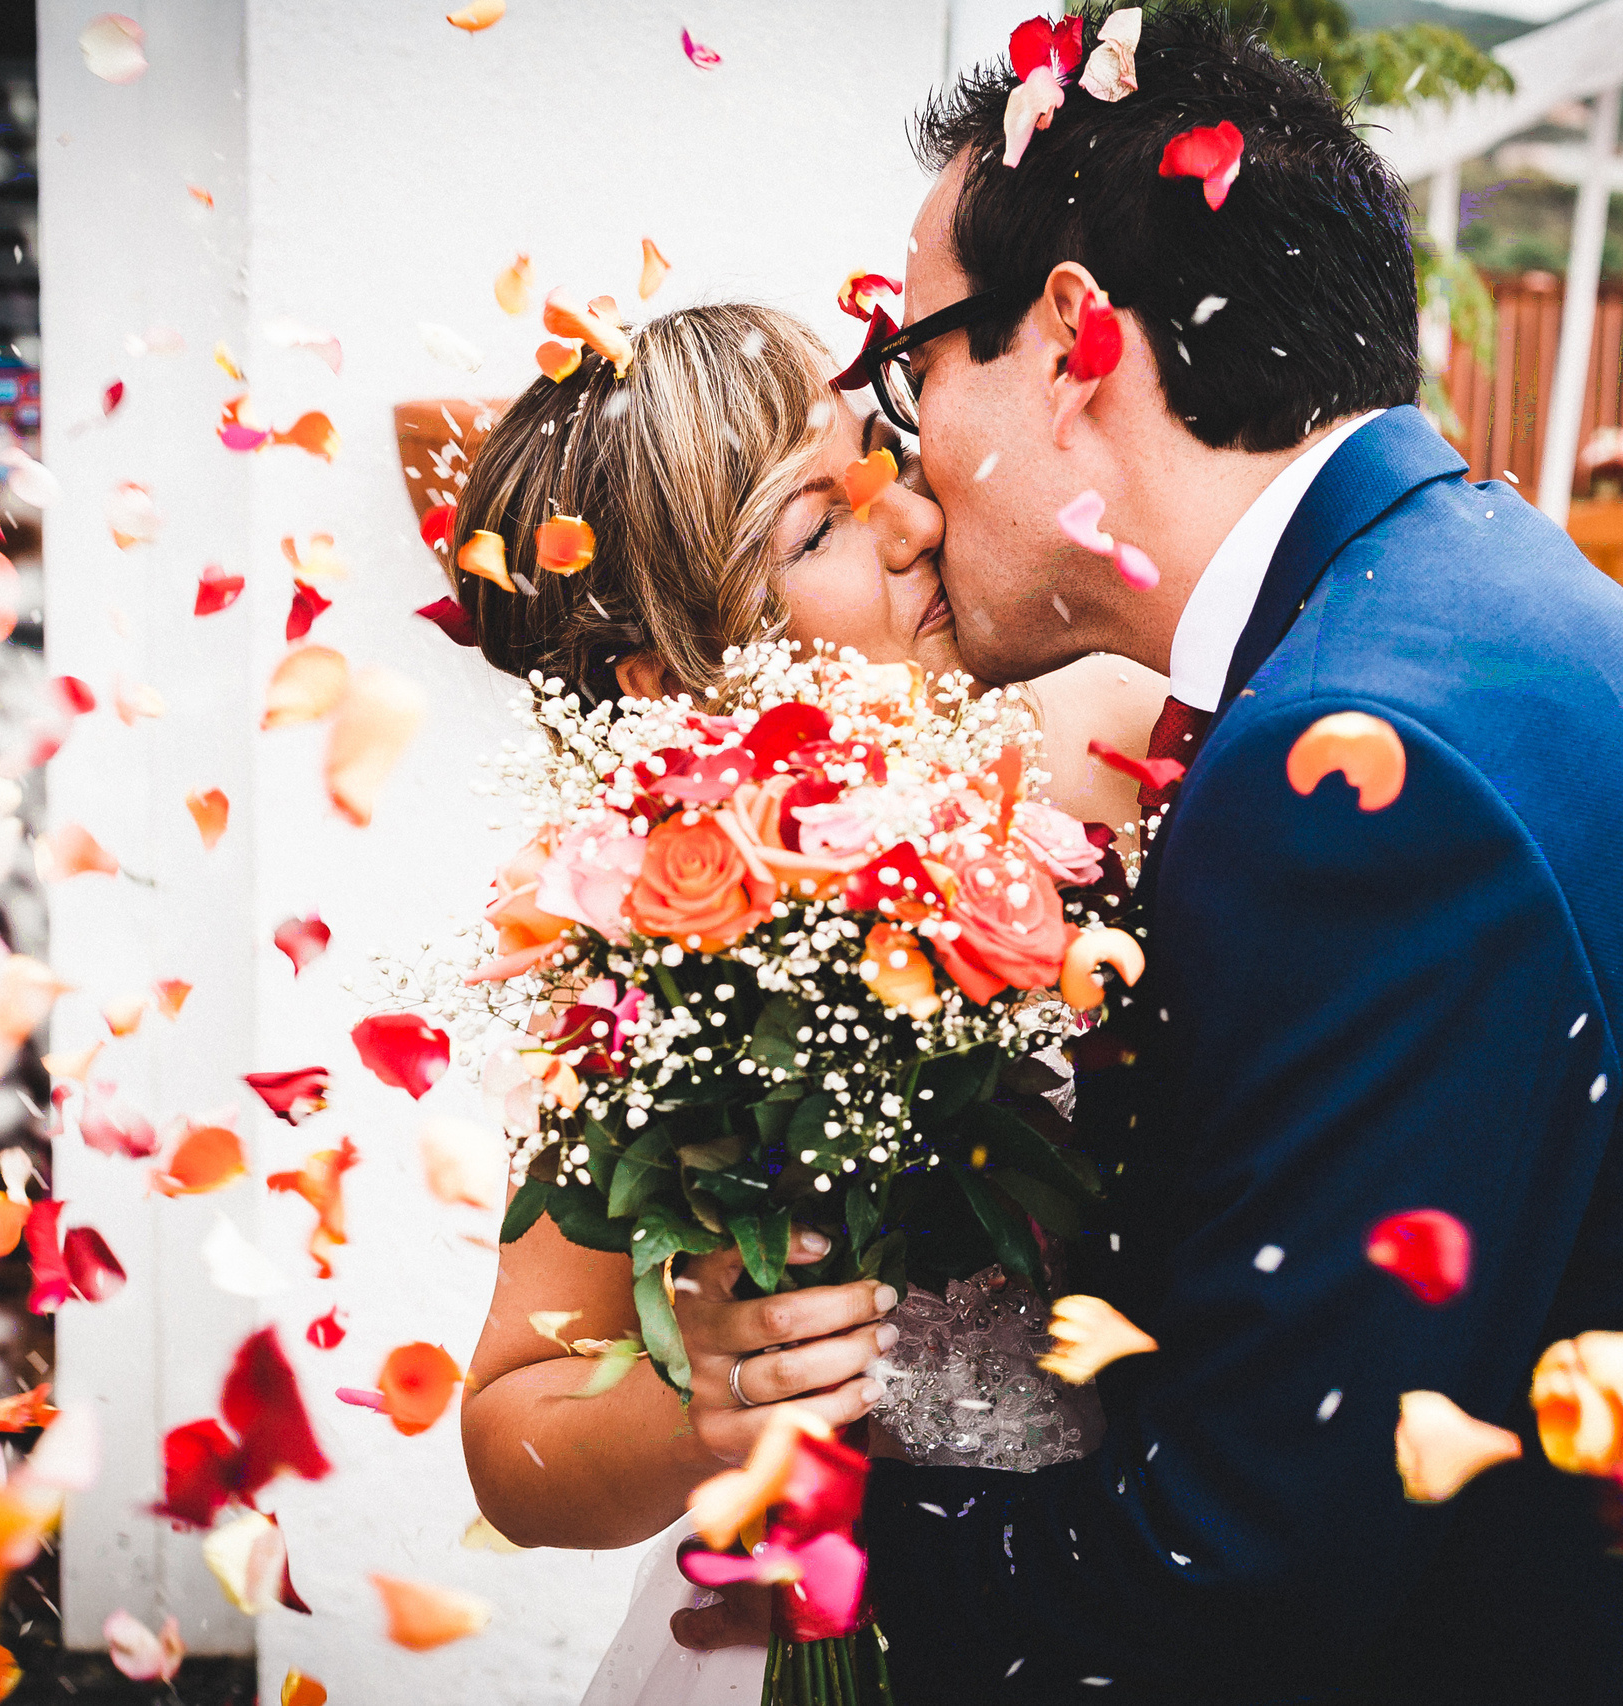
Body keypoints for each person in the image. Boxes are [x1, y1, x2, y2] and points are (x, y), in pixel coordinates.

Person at [826, 5, 1623, 1700]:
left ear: (1077, 336)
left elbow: (1243, 1569)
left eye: (911, 367)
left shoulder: (1366, 760)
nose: (901, 471)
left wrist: (823, 1519)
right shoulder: (1439, 600)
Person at [444, 301, 1161, 1701]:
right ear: (670, 677)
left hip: (1133, 1600)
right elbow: (507, 1436)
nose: (906, 522)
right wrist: (694, 1397)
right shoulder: (661, 928)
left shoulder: (1114, 734)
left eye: (878, 455)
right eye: (820, 528)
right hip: (824, 1622)